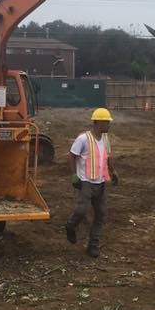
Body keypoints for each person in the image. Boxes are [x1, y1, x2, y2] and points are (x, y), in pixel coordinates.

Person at [66, 108, 119, 257]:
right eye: (107, 122)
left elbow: (107, 157)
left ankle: (93, 245)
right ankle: (70, 225)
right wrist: (74, 175)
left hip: (100, 182)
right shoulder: (83, 139)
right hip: (85, 182)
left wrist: (113, 171)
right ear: (98, 122)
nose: (109, 124)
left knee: (100, 214)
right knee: (81, 211)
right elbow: (71, 156)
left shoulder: (105, 139)